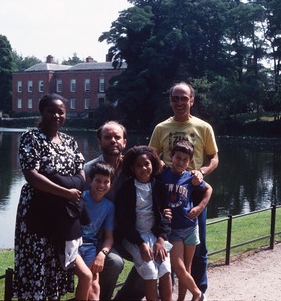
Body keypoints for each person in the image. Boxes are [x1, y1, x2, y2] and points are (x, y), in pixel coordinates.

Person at [13, 93, 91, 301]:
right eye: (51, 111)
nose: (56, 115)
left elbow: (81, 172)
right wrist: (66, 191)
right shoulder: (31, 138)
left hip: (62, 213)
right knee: (37, 259)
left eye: (61, 112)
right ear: (42, 112)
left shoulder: (70, 142)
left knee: (56, 260)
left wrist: (72, 184)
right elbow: (32, 175)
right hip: (38, 211)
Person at [149, 81, 219, 297]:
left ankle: (200, 290)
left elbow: (214, 157)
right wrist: (158, 166)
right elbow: (151, 155)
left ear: (191, 100)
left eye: (183, 97)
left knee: (199, 249)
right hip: (168, 190)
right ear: (170, 101)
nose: (179, 102)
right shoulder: (161, 128)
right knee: (168, 247)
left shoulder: (203, 127)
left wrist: (203, 172)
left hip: (194, 189)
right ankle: (168, 292)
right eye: (175, 98)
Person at [115, 145, 173, 301]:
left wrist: (161, 239)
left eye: (147, 164)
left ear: (153, 164)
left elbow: (165, 217)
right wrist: (140, 243)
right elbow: (124, 222)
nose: (143, 168)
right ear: (132, 168)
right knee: (149, 269)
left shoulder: (160, 188)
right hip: (134, 237)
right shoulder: (126, 190)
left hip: (156, 236)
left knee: (165, 267)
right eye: (138, 165)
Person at [159, 140, 213, 301]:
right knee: (178, 266)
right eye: (178, 158)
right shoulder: (163, 173)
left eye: (185, 159)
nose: (181, 162)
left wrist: (200, 207)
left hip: (190, 227)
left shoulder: (191, 178)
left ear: (190, 161)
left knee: (186, 268)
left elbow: (208, 189)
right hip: (173, 230)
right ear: (171, 156)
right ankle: (197, 294)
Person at [83, 121, 127, 300]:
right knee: (115, 263)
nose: (113, 141)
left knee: (154, 258)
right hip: (98, 237)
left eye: (117, 137)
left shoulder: (135, 168)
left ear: (124, 142)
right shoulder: (87, 170)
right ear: (99, 141)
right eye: (107, 137)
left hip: (128, 234)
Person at [79, 161, 116, 300]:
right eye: (98, 181)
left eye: (106, 182)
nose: (101, 185)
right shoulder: (80, 198)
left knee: (94, 287)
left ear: (111, 185)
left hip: (90, 247)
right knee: (86, 277)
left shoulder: (109, 206)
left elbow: (109, 237)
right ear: (90, 181)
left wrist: (102, 253)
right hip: (74, 245)